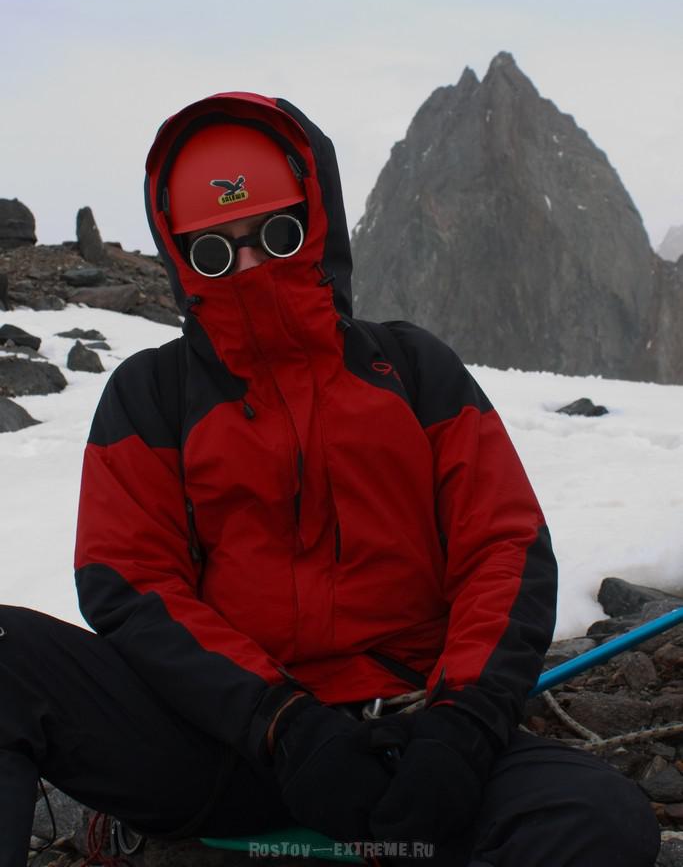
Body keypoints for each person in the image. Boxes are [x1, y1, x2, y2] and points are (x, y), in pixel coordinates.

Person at [0, 92, 660, 867]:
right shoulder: (151, 395)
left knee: (596, 821)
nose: (250, 266)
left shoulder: (414, 370)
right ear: (180, 259)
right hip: (224, 740)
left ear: (316, 224)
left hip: (412, 730)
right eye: (214, 251)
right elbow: (129, 577)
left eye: (275, 235)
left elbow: (503, 547)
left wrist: (463, 722)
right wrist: (282, 723)